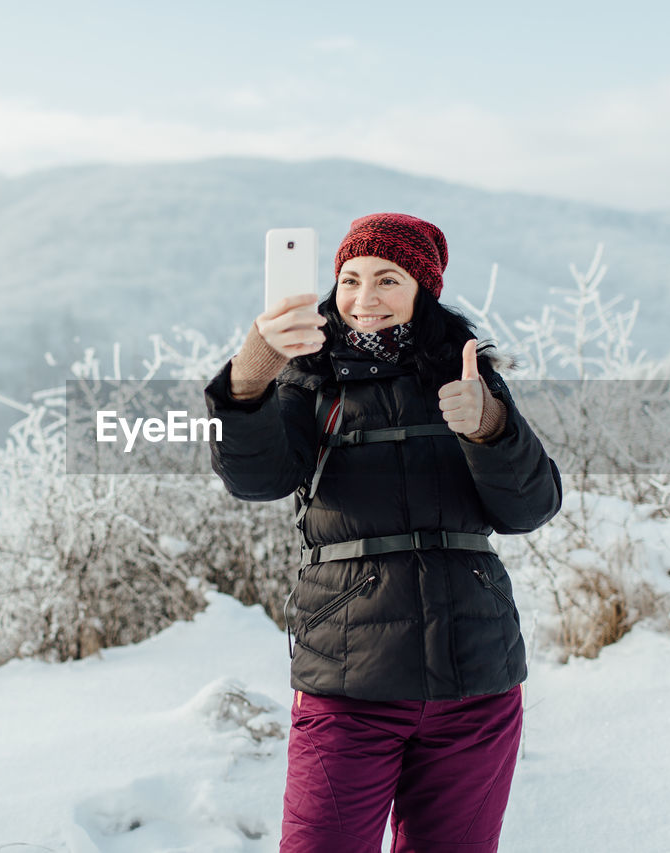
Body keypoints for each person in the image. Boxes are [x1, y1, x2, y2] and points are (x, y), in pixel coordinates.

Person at [203, 213, 563, 852]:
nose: (364, 300)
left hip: (474, 683)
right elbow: (255, 479)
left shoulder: (468, 375)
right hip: (347, 681)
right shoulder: (307, 377)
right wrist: (252, 372)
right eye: (350, 279)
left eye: (387, 280)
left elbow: (531, 507)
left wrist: (490, 428)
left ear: (423, 289)